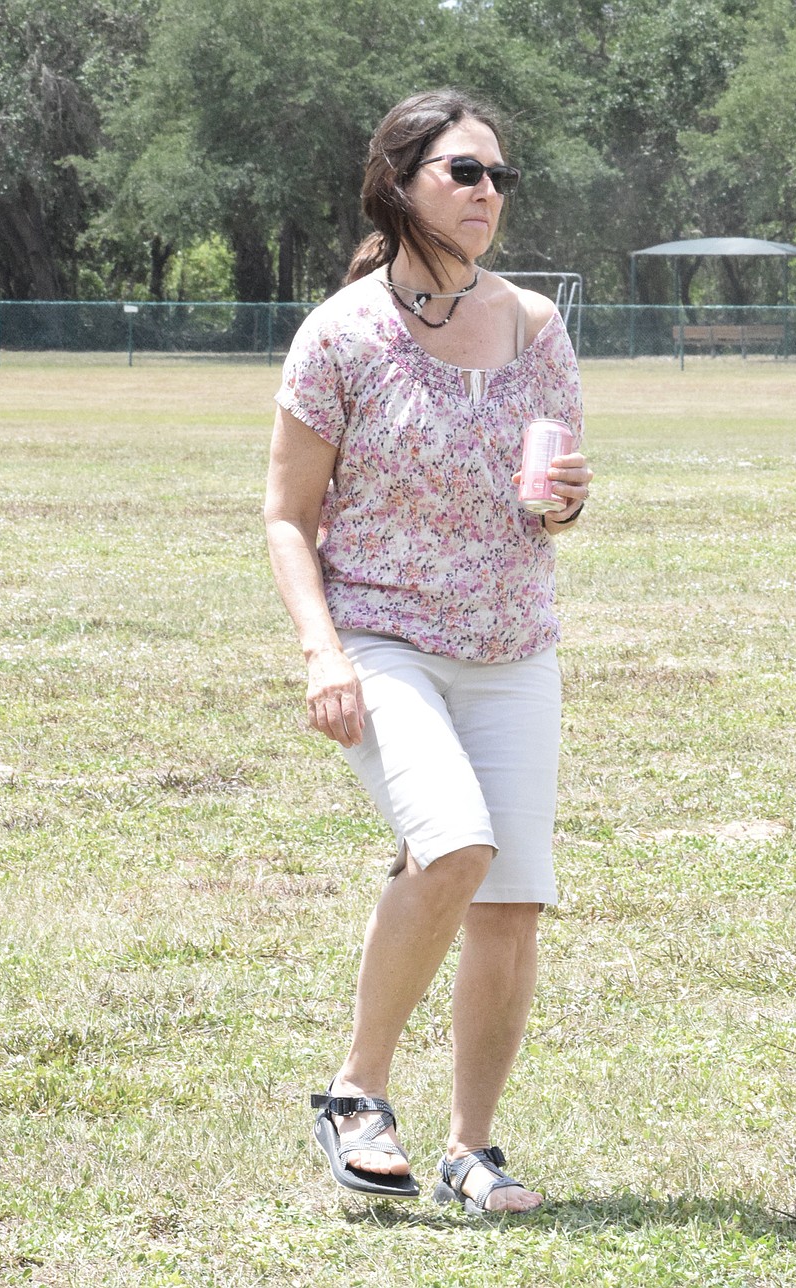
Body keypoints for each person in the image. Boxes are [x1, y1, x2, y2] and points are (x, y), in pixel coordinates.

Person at [264, 88, 592, 1215]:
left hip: (513, 645)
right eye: (464, 171)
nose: (488, 193)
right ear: (397, 183)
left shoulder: (538, 328)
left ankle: (471, 1150)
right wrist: (321, 653)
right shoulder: (341, 333)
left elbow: (545, 493)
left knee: (509, 900)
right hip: (383, 635)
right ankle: (353, 1092)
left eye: (499, 176)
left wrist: (562, 505)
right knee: (451, 844)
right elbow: (282, 513)